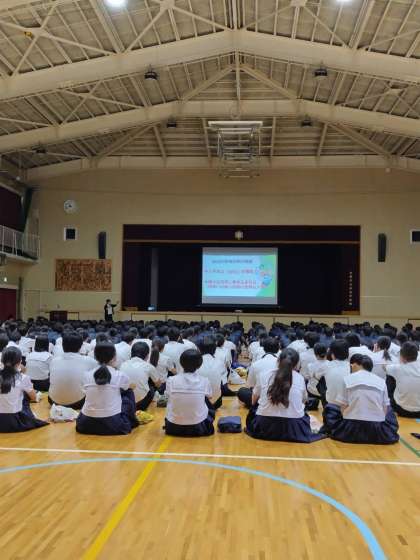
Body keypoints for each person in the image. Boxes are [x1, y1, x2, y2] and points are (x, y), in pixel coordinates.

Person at [245, 348, 325, 443]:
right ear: (296, 364)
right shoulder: (300, 378)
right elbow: (304, 401)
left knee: (248, 397)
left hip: (264, 425)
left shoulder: (264, 375)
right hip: (294, 427)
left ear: (278, 361)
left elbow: (254, 399)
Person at [330, 354, 399, 444]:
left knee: (330, 407)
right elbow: (385, 410)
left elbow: (343, 408)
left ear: (355, 365)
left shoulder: (347, 379)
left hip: (351, 428)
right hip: (377, 430)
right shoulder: (382, 382)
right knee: (390, 410)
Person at [76, 342, 139, 435]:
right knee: (128, 392)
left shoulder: (86, 374)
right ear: (114, 357)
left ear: (95, 357)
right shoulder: (119, 375)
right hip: (113, 424)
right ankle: (133, 420)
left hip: (85, 424)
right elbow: (132, 386)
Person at [164, 349, 214, 437]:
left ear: (181, 363)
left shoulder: (171, 380)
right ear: (199, 365)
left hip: (173, 427)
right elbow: (210, 397)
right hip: (199, 427)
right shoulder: (204, 381)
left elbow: (167, 395)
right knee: (206, 399)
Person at [0, 347, 48, 432]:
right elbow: (33, 398)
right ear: (19, 362)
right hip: (15, 421)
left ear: (2, 360)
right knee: (25, 395)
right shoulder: (23, 377)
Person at [49, 332, 97, 409]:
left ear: (63, 345)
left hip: (53, 401)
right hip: (78, 403)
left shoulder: (54, 361)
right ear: (81, 346)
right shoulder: (89, 361)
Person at [238, 336, 280, 409]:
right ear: (278, 349)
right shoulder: (283, 363)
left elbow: (250, 385)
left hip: (260, 399)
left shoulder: (256, 364)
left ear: (264, 349)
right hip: (280, 398)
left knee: (242, 391)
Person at [120, 342, 161, 410]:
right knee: (152, 387)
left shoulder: (123, 364)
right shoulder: (149, 366)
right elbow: (158, 384)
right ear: (147, 355)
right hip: (141, 404)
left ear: (131, 353)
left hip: (125, 401)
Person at [385, 341, 420, 417]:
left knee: (390, 376)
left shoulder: (397, 368)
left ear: (403, 357)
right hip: (419, 412)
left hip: (401, 410)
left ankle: (388, 402)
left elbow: (384, 367)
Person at [196, 335, 223, 410]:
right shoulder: (219, 362)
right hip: (216, 402)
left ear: (199, 349)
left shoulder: (195, 362)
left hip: (199, 402)